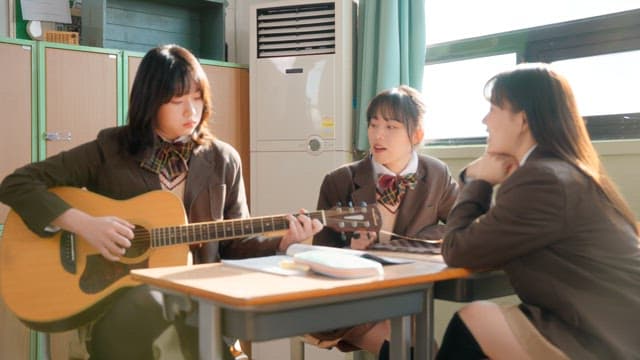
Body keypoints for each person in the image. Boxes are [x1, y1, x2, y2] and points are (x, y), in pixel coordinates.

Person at [0, 44, 322, 360]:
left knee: (190, 306)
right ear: (150, 103)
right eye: (177, 101)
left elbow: (235, 245)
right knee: (158, 301)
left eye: (197, 98)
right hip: (115, 303)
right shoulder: (110, 149)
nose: (191, 112)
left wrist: (283, 243)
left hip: (199, 304)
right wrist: (85, 224)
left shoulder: (223, 160)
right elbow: (16, 184)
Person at [438, 63, 640, 359]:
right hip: (616, 331)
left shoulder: (543, 179)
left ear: (522, 120)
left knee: (476, 318)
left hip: (605, 341)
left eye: (493, 108)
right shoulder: (568, 171)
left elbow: (457, 250)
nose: (485, 120)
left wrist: (478, 181)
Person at [306, 85, 460, 358]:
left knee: (425, 350)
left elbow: (460, 226)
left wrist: (408, 242)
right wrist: (353, 251)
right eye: (373, 124)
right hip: (350, 299)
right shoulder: (339, 180)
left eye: (391, 126)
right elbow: (321, 254)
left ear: (417, 135)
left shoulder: (436, 173)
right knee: (410, 352)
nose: (378, 135)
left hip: (405, 294)